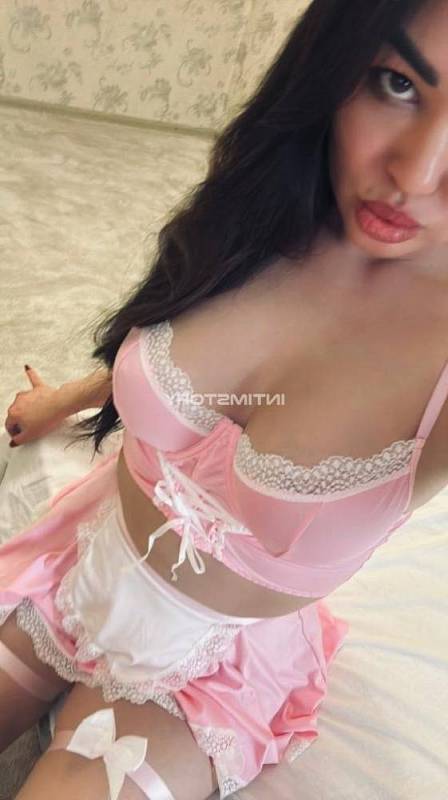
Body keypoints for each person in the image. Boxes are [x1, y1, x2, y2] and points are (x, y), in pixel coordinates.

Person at [2, 0, 448, 797]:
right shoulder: (272, 201)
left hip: (209, 667)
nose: (413, 173)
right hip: (84, 553)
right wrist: (67, 399)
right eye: (397, 82)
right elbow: (175, 333)